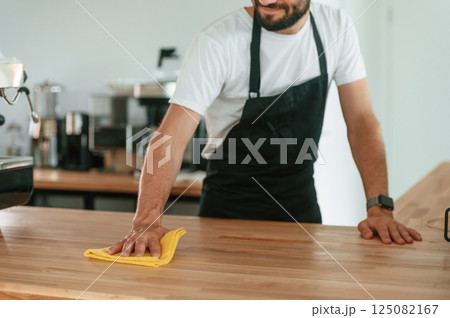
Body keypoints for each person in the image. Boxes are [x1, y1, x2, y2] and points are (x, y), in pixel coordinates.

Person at [107, 0, 421, 258]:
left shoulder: (335, 28)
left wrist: (379, 208)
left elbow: (362, 121)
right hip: (227, 212)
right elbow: (169, 139)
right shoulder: (218, 41)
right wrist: (146, 221)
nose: (266, 2)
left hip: (300, 208)